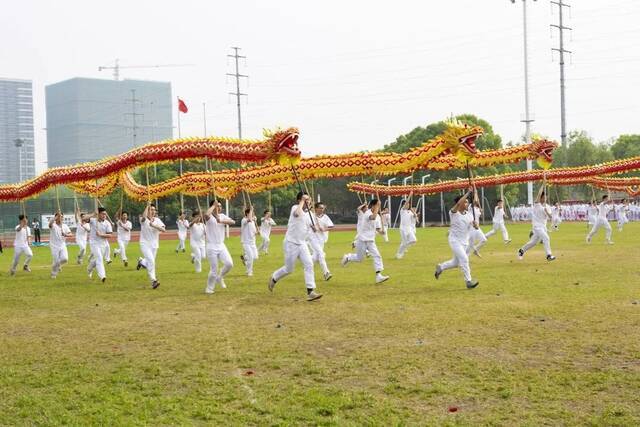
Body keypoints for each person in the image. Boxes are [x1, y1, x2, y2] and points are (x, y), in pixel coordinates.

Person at [269, 191, 323, 301]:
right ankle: (274, 277)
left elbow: (315, 228)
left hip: (302, 243)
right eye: (306, 200)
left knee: (309, 264)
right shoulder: (295, 208)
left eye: (309, 200)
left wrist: (314, 228)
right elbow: (297, 214)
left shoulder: (309, 215)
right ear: (300, 200)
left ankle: (310, 291)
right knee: (289, 269)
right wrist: (303, 201)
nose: (309, 202)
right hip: (291, 243)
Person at [434, 188, 480, 289]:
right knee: (464, 259)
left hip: (464, 242)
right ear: (461, 203)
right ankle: (468, 281)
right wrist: (468, 192)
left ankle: (440, 267)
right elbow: (459, 203)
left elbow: (475, 227)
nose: (467, 204)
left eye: (468, 202)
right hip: (455, 241)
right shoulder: (453, 213)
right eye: (466, 202)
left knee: (455, 263)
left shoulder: (469, 215)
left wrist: (476, 225)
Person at [341, 198, 389, 284]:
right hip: (362, 239)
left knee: (377, 255)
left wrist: (382, 232)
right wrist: (377, 207)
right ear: (373, 205)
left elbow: (378, 229)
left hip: (371, 240)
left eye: (379, 205)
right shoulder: (367, 213)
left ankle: (378, 275)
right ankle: (348, 257)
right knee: (360, 258)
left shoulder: (378, 216)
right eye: (377, 205)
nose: (379, 207)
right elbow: (373, 217)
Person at [203, 200, 235, 294]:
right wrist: (213, 206)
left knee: (229, 264)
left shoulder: (222, 216)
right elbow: (206, 215)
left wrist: (221, 220)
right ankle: (209, 288)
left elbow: (233, 222)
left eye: (220, 206)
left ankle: (220, 276)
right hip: (211, 246)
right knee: (214, 270)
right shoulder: (209, 217)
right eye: (218, 206)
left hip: (221, 245)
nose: (219, 207)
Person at [518, 186, 556, 261]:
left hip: (543, 227)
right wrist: (543, 184)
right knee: (546, 238)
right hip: (537, 226)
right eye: (544, 197)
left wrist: (546, 211)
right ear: (541, 198)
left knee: (533, 242)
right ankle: (549, 255)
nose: (545, 198)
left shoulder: (547, 206)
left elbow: (551, 217)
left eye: (546, 197)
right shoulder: (537, 204)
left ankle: (521, 250)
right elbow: (539, 194)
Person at [136, 203, 165, 289]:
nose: (152, 211)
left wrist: (154, 225)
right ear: (147, 211)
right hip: (144, 244)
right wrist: (147, 205)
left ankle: (141, 261)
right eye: (151, 209)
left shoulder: (157, 220)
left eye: (154, 210)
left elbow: (163, 229)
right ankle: (154, 281)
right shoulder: (143, 219)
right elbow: (144, 217)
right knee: (152, 261)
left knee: (150, 262)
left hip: (154, 245)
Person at [308, 201, 335, 281]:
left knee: (316, 257)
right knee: (321, 254)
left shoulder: (325, 217)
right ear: (316, 208)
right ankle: (326, 273)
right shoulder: (311, 216)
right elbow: (311, 227)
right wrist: (314, 227)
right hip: (313, 239)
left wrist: (324, 229)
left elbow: (331, 226)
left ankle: (306, 261)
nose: (322, 209)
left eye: (323, 208)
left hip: (321, 239)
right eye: (320, 208)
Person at [87, 207, 113, 283]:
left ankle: (89, 268)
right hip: (94, 243)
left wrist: (101, 235)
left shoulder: (107, 223)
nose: (104, 215)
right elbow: (84, 218)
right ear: (99, 214)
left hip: (103, 244)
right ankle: (102, 276)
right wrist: (93, 214)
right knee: (99, 258)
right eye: (103, 214)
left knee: (98, 259)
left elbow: (110, 235)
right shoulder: (93, 221)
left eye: (105, 214)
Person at [49, 211, 72, 279]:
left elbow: (71, 234)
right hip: (54, 245)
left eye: (62, 216)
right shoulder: (53, 225)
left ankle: (58, 265)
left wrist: (65, 234)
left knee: (65, 259)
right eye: (59, 216)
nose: (61, 218)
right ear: (56, 217)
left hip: (62, 244)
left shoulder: (65, 226)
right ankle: (53, 273)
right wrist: (55, 217)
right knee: (56, 261)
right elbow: (50, 224)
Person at [240, 206, 259, 276]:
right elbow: (250, 219)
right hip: (246, 242)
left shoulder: (253, 221)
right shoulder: (244, 220)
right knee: (251, 257)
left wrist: (257, 232)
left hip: (252, 242)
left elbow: (254, 231)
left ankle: (245, 258)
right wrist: (251, 209)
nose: (252, 213)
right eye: (251, 213)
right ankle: (249, 272)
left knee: (255, 257)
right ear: (247, 214)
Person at [466, 193, 487, 258]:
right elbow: (474, 200)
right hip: (471, 228)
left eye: (478, 199)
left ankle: (475, 250)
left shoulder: (477, 208)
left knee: (484, 240)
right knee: (470, 245)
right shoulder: (470, 207)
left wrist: (481, 212)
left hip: (477, 228)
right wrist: (475, 192)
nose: (477, 200)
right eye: (476, 199)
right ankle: (464, 258)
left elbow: (480, 216)